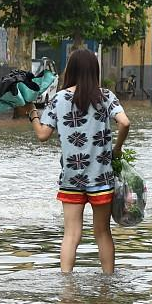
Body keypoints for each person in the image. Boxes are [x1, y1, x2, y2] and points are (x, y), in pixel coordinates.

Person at [29, 48, 130, 274]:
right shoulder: (106, 96)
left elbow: (43, 135)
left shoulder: (59, 99)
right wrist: (117, 149)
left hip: (71, 178)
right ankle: (107, 286)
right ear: (95, 71)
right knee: (103, 233)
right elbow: (124, 123)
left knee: (71, 234)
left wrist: (32, 114)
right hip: (101, 177)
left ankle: (67, 288)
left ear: (70, 71)